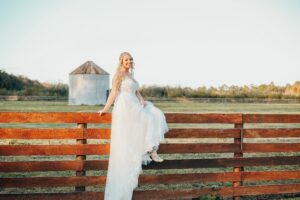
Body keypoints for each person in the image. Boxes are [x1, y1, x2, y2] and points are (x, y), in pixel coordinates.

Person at [98, 52, 169, 200]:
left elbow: (136, 91)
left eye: (130, 59)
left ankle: (152, 149)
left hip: (135, 103)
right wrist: (105, 109)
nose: (129, 61)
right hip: (125, 107)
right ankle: (150, 149)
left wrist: (141, 99)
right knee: (145, 121)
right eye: (126, 59)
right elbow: (113, 94)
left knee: (154, 114)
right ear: (121, 61)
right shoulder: (119, 75)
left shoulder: (131, 74)